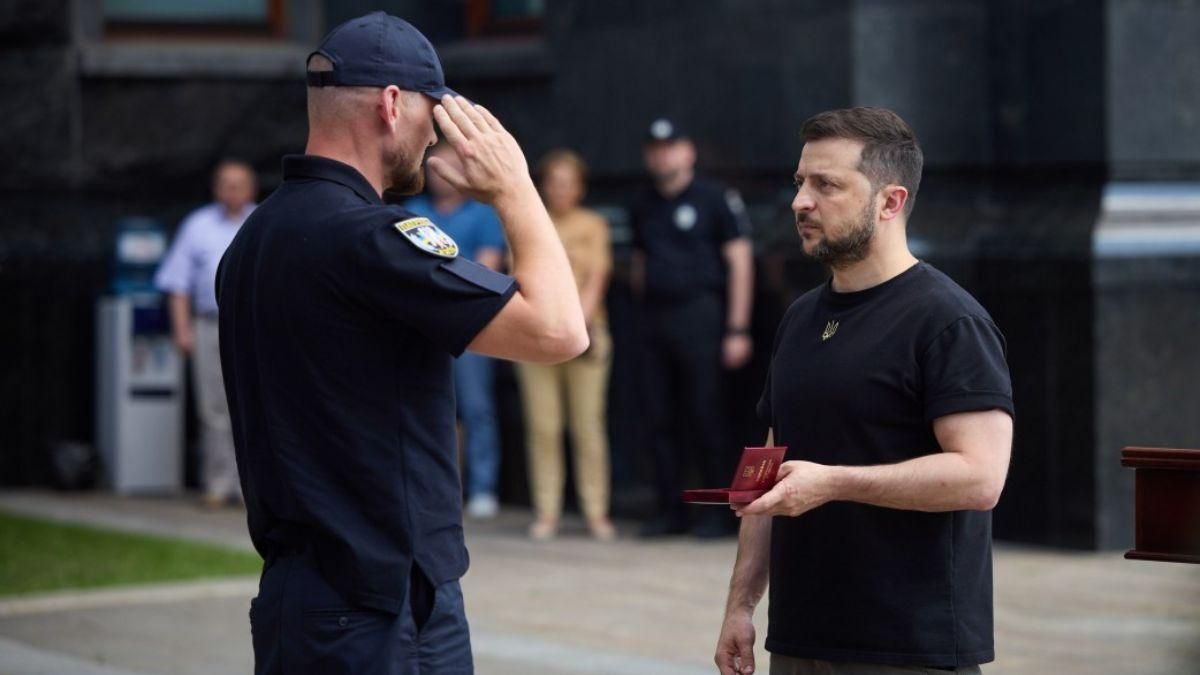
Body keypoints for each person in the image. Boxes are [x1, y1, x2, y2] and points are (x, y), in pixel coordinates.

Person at [216, 12, 586, 674]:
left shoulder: (254, 238)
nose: (435, 135)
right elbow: (560, 329)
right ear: (392, 104)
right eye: (433, 110)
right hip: (379, 606)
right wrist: (514, 186)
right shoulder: (374, 239)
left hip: (302, 598)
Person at [714, 107, 1014, 675]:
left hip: (909, 647)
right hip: (800, 641)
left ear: (890, 201)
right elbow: (767, 474)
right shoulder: (800, 318)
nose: (801, 201)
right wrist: (740, 606)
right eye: (800, 182)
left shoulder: (948, 321)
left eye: (826, 184)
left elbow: (981, 477)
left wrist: (833, 484)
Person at [630, 118, 755, 538]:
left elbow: (740, 262)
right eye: (655, 148)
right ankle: (670, 508)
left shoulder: (715, 199)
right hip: (654, 317)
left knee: (707, 412)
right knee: (658, 414)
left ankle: (717, 511)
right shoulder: (642, 203)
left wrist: (737, 328)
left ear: (689, 152)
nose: (663, 155)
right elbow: (639, 262)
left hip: (701, 314)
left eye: (671, 147)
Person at [516, 149, 616, 542]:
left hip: (588, 333)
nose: (560, 190)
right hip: (536, 334)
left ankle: (595, 512)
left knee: (588, 425)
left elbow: (597, 276)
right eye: (553, 182)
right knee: (543, 426)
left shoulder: (593, 224)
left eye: (567, 182)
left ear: (580, 188)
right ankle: (547, 511)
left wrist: (579, 326)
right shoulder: (530, 222)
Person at [405, 143, 507, 519]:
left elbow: (486, 272)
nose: (439, 175)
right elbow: (404, 273)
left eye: (448, 168)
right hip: (423, 329)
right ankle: (432, 491)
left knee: (476, 408)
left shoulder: (483, 215)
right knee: (426, 410)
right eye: (434, 168)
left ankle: (482, 488)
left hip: (471, 328)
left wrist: (433, 276)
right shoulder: (413, 214)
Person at [154, 159, 256, 509]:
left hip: (254, 327)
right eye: (226, 184)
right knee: (214, 409)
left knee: (254, 405)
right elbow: (177, 283)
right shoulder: (196, 226)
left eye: (239, 183)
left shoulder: (262, 221)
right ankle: (218, 483)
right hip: (209, 325)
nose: (233, 191)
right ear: (216, 188)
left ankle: (251, 488)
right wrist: (182, 331)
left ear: (251, 188)